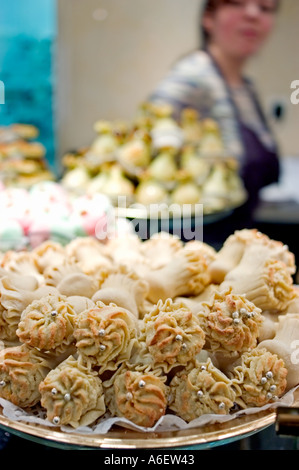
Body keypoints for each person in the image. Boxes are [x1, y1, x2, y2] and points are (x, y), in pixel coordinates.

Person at [148, 0, 281, 233]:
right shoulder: (194, 76)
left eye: (265, 8)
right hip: (196, 241)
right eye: (237, 3)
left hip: (235, 234)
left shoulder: (245, 87)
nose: (252, 14)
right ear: (209, 17)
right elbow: (146, 133)